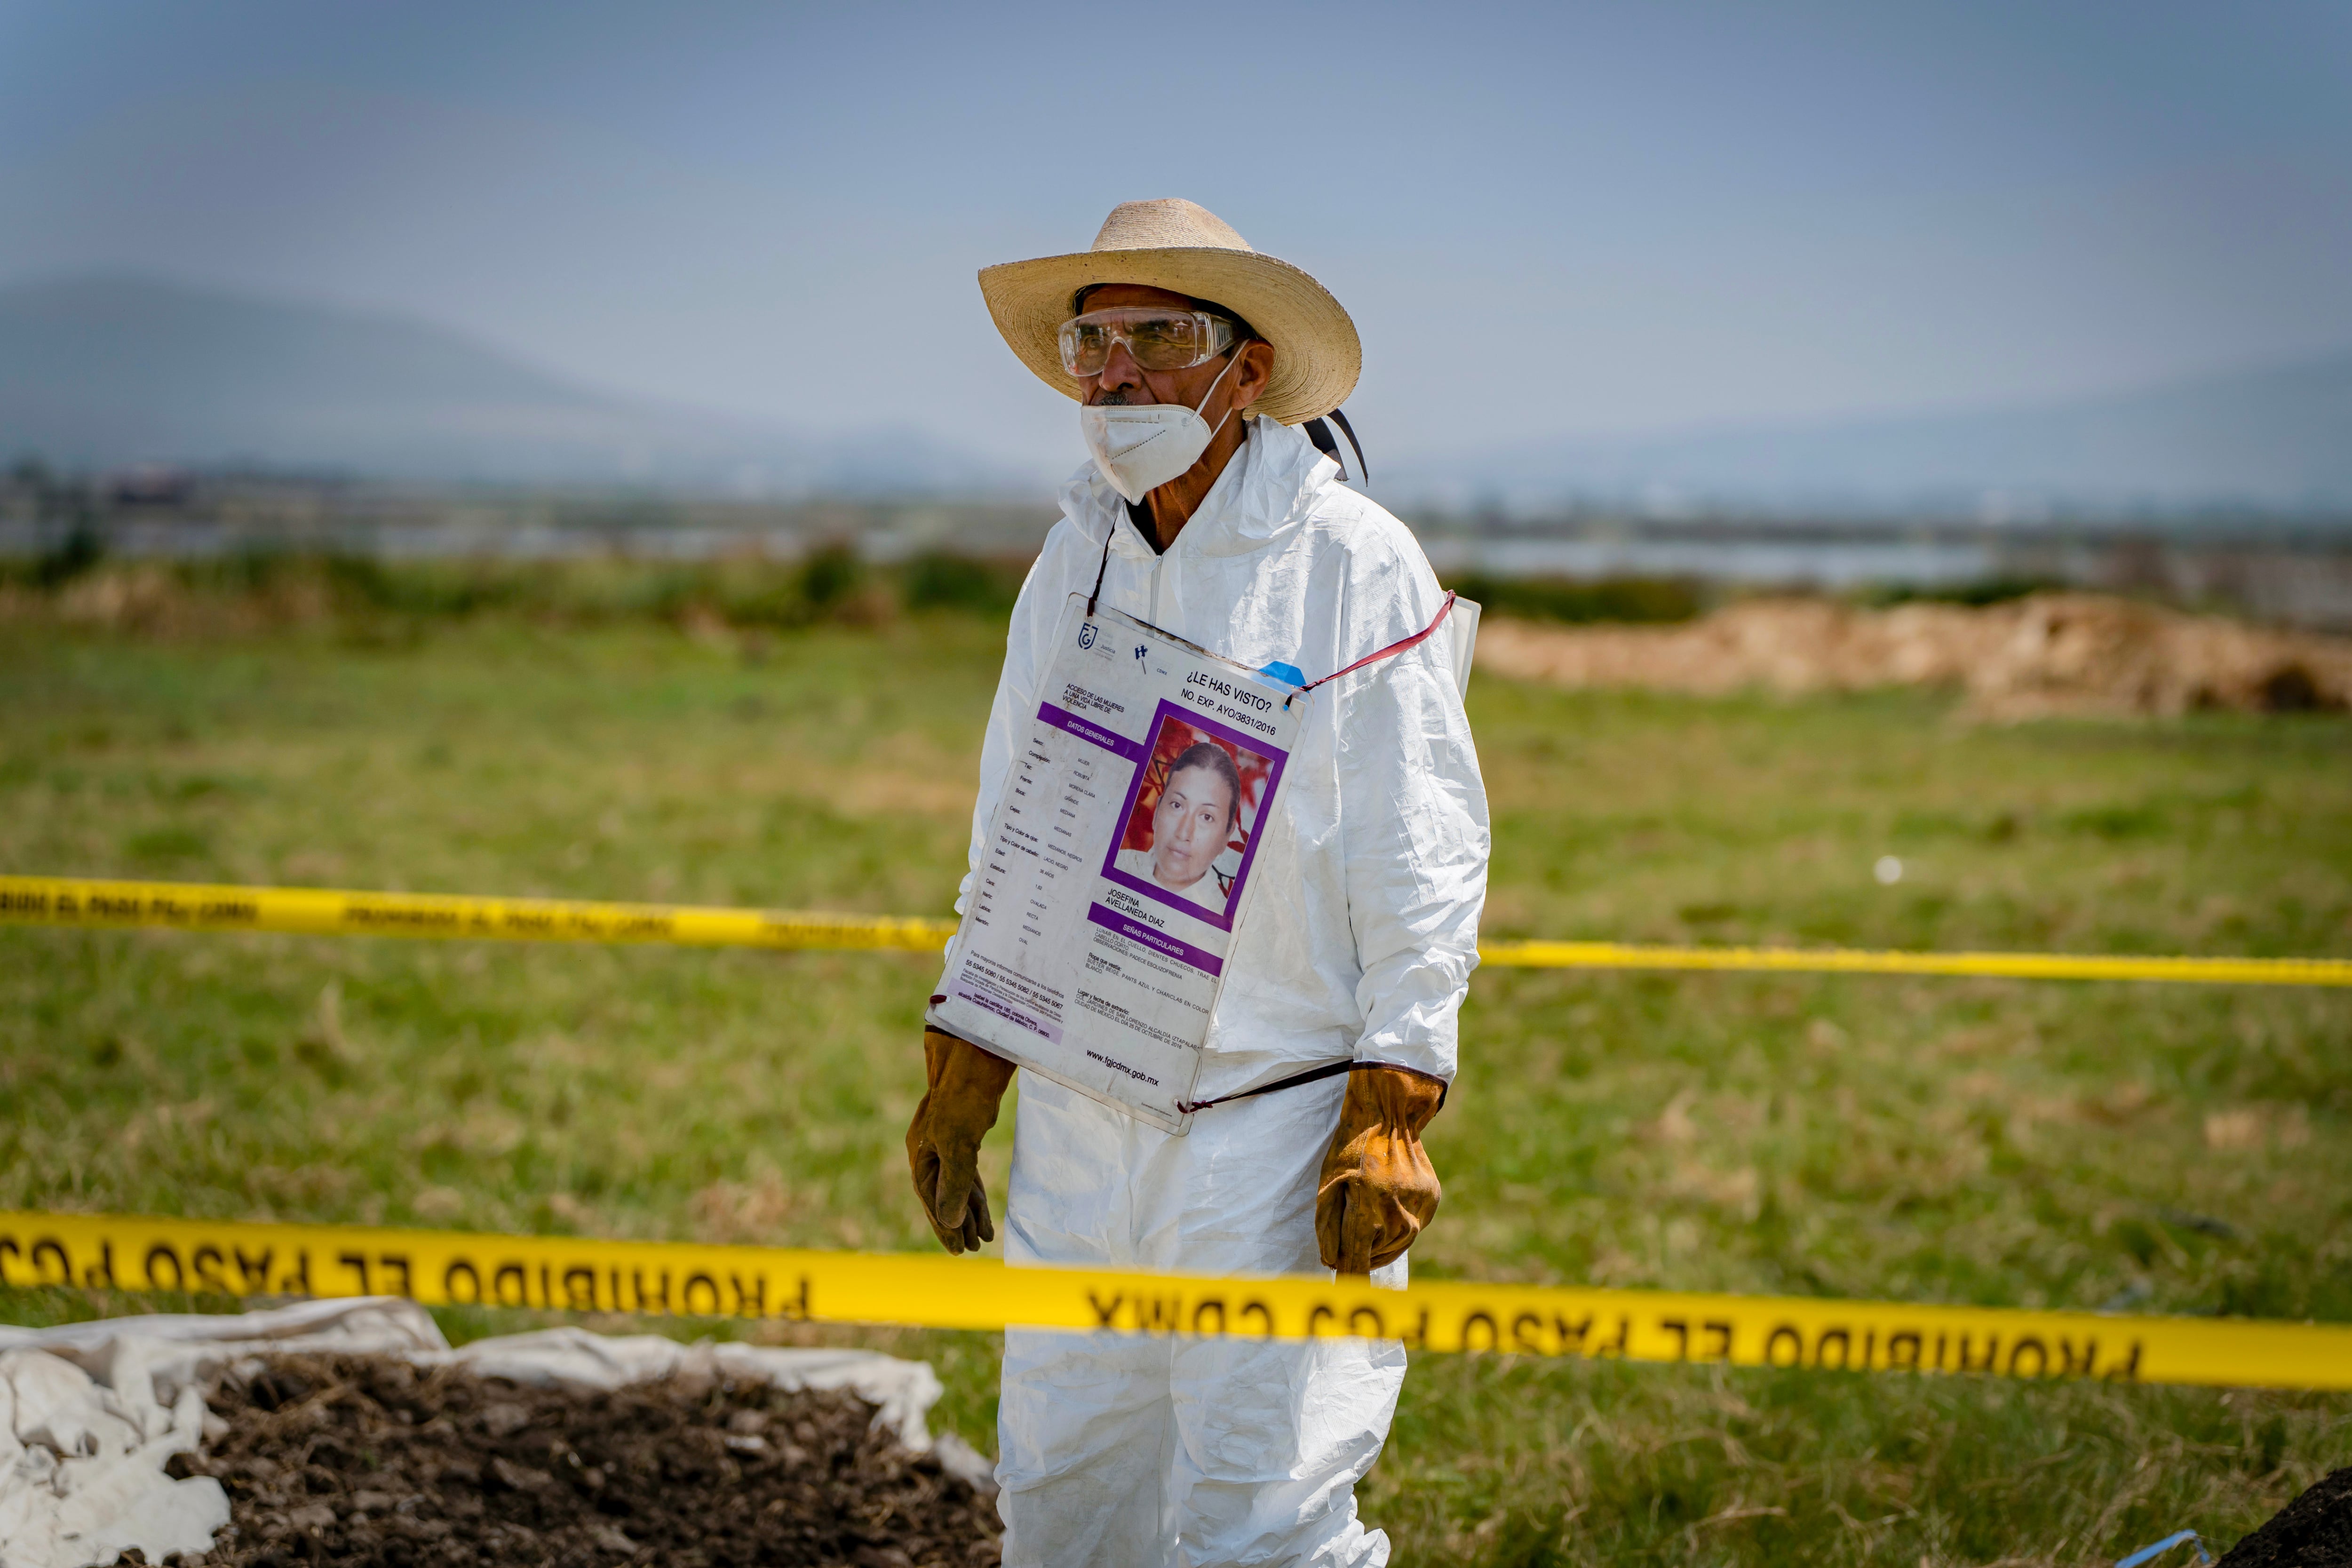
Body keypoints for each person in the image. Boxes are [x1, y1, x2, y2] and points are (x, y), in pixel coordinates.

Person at [904, 199, 1489, 1568]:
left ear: (1246, 369)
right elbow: (1013, 825)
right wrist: (964, 1068)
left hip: (1269, 1128)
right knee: (1063, 1503)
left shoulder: (1349, 563)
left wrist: (1393, 1102)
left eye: (1155, 337)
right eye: (1090, 340)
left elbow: (1422, 850)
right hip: (1080, 1109)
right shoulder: (1077, 557)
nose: (1114, 374)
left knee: (1255, 1517)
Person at [1114, 739, 1243, 913]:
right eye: (1177, 805)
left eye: (1206, 817)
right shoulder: (1119, 864)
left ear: (1227, 837)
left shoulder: (1220, 916)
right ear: (1158, 810)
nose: (1184, 833)